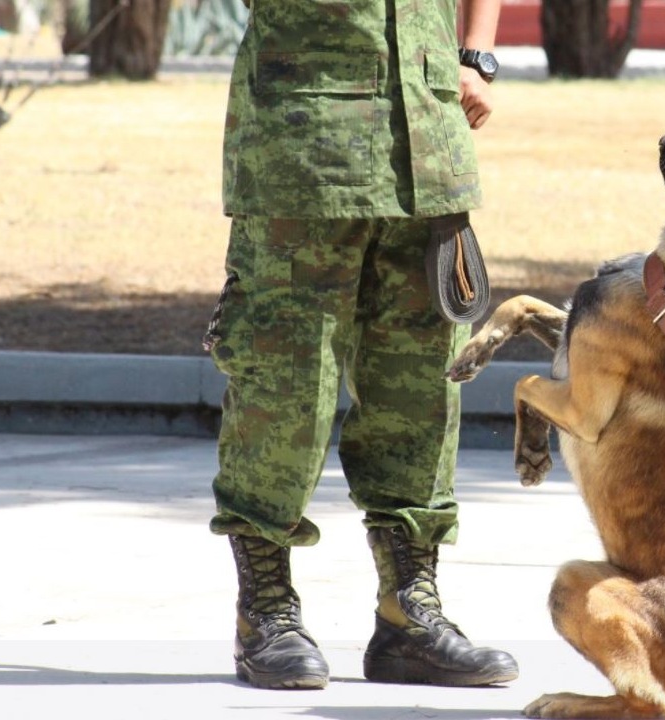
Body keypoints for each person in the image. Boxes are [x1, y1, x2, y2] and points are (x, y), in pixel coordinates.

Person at [201, 0, 514, 690]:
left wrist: (476, 56)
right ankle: (267, 615)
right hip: (305, 143)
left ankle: (410, 616)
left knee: (422, 389)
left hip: (426, 141)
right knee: (285, 385)